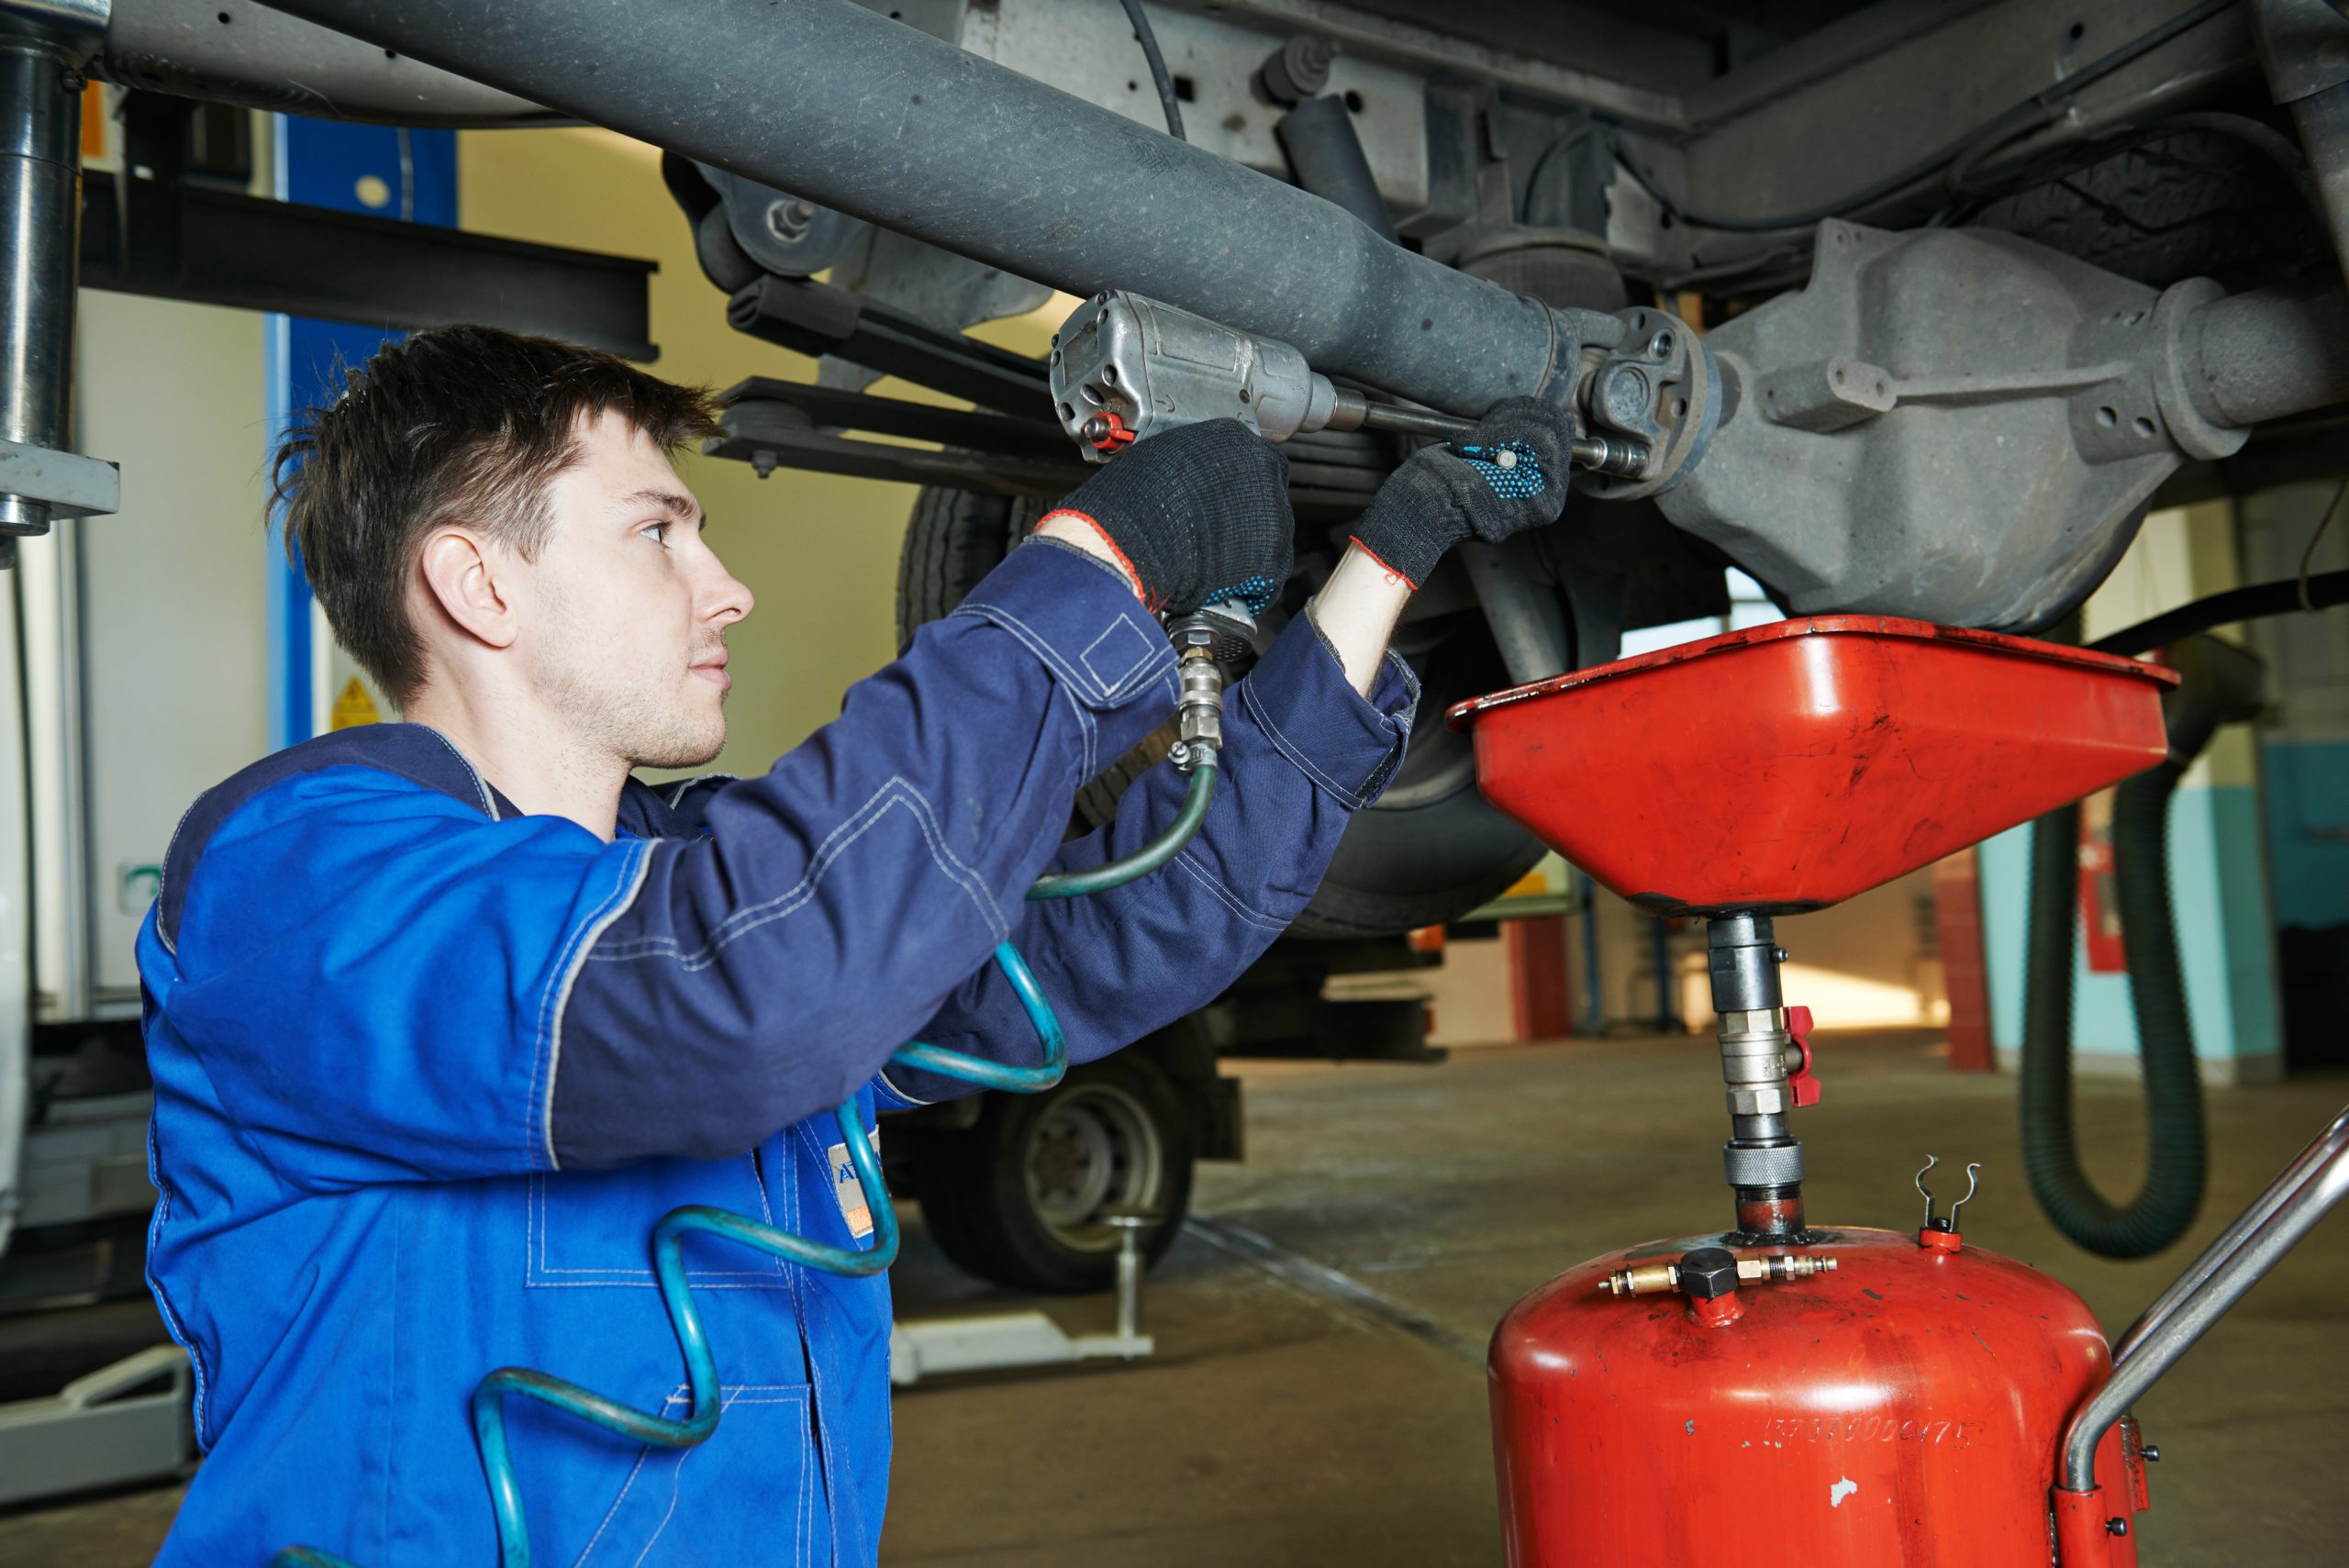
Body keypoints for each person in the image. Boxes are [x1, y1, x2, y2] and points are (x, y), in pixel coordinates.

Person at [136, 324, 1574, 1565]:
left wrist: (1381, 569)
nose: (727, 585)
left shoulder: (693, 880)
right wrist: (1091, 566)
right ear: (479, 585)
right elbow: (740, 988)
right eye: (657, 529)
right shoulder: (301, 875)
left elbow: (1111, 934)